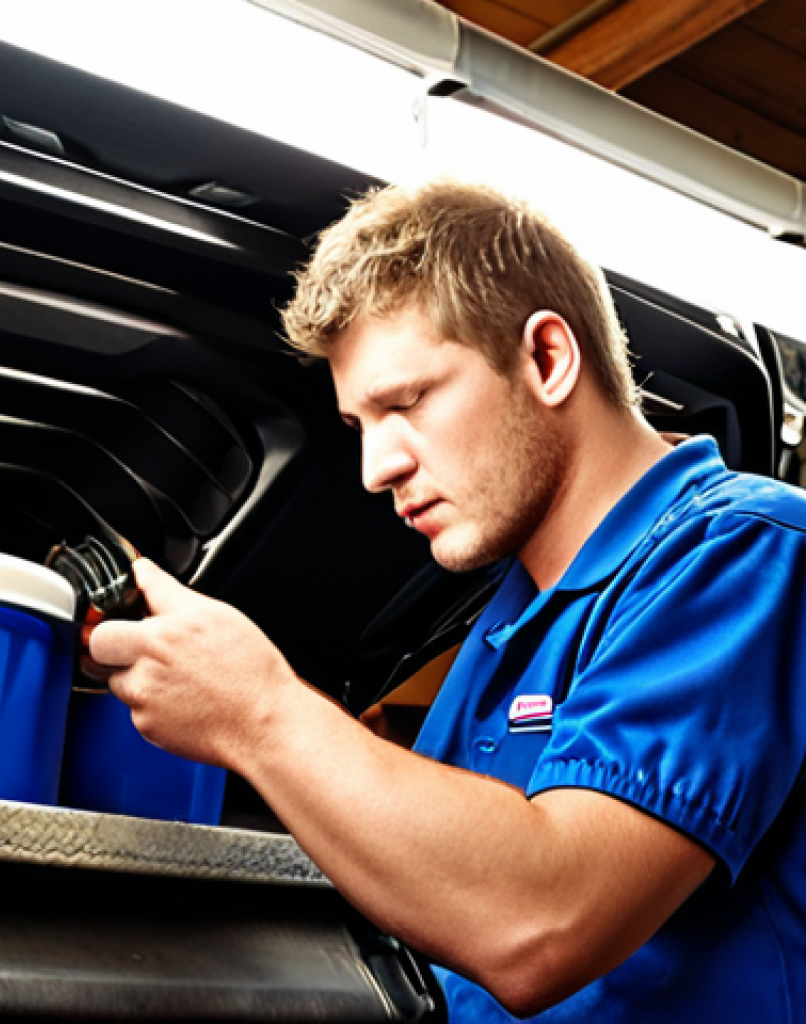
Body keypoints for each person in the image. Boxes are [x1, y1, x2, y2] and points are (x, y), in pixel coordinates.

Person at [86, 181, 806, 1021]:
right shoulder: (504, 625)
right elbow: (444, 875)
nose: (375, 468)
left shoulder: (747, 550)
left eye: (407, 402)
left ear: (547, 358)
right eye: (361, 426)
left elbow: (542, 920)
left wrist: (262, 714)